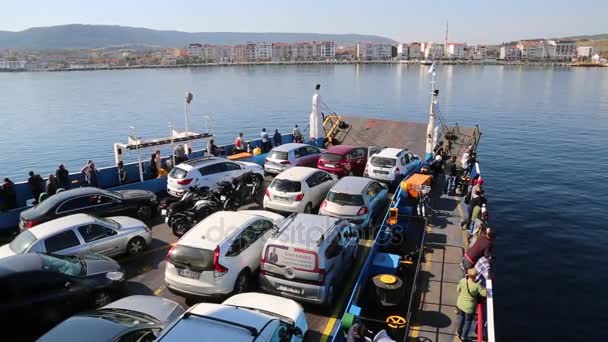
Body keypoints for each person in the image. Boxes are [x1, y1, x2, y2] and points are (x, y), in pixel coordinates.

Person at [456, 268, 487, 341]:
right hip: (469, 308)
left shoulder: (462, 281)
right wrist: (485, 289)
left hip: (460, 304)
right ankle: (464, 336)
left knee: (461, 318)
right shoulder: (477, 285)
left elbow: (458, 289)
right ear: (475, 276)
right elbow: (484, 293)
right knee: (468, 322)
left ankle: (458, 332)